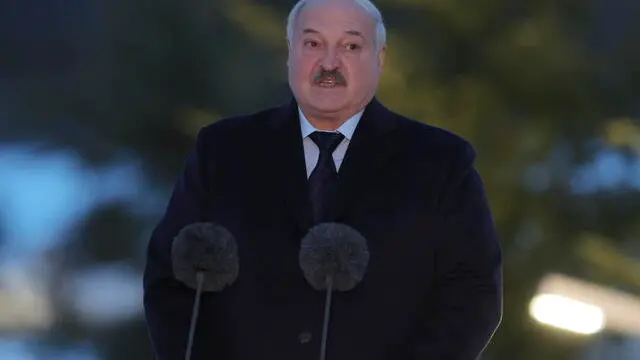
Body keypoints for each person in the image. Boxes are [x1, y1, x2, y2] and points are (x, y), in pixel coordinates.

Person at [142, 0, 503, 359]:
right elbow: (170, 280)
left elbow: (472, 293)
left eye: (351, 46)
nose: (329, 63)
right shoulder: (222, 151)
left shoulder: (440, 162)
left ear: (379, 57)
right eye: (313, 44)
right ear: (290, 53)